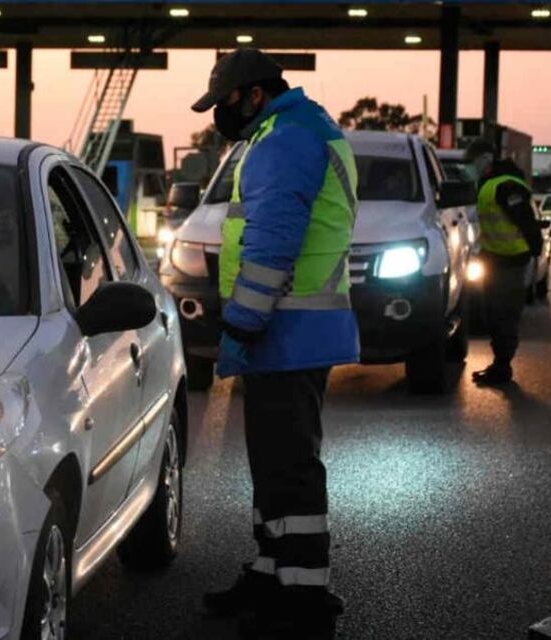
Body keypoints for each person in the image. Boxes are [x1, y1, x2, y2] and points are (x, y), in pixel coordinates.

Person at [190, 48, 359, 638]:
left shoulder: (287, 138)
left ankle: (304, 596)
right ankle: (271, 573)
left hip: (288, 329)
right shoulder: (289, 130)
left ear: (254, 94)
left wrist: (242, 320)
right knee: (273, 464)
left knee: (289, 468)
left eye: (224, 103)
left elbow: (273, 239)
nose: (220, 116)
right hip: (289, 328)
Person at [464, 138, 544, 386]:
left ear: (486, 158)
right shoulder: (489, 184)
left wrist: (535, 249)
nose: (471, 166)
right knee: (494, 314)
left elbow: (525, 221)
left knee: (504, 315)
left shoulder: (507, 186)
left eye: (473, 161)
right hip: (495, 258)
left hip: (510, 260)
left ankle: (502, 367)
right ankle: (499, 364)